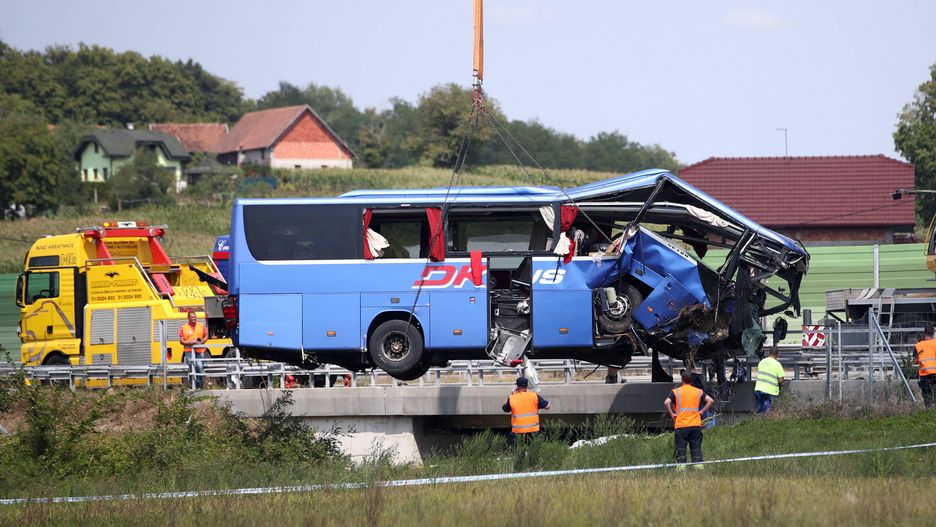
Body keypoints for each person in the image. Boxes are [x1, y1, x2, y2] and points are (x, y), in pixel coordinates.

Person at [664, 370, 714, 466]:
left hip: (681, 425)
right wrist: (702, 411)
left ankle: (681, 470)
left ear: (682, 379)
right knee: (696, 449)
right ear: (691, 380)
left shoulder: (676, 392)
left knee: (681, 450)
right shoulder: (698, 391)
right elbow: (710, 400)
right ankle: (698, 468)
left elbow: (666, 402)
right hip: (695, 424)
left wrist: (672, 414)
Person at [502, 377, 550, 443]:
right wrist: (537, 406)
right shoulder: (534, 396)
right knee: (533, 450)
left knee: (519, 450)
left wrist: (511, 394)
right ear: (527, 386)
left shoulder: (512, 398)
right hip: (533, 430)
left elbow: (505, 409)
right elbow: (547, 406)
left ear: (517, 386)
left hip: (518, 431)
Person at [179, 310, 208, 389]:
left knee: (199, 366)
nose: (194, 318)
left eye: (195, 317)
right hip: (189, 351)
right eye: (192, 317)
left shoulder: (201, 326)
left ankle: (199, 386)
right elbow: (181, 341)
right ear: (188, 318)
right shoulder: (184, 328)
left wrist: (201, 342)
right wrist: (190, 343)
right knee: (192, 366)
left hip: (200, 350)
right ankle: (192, 385)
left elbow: (206, 336)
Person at [754, 348, 785, 414]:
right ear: (777, 355)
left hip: (758, 389)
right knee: (768, 413)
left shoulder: (762, 362)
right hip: (770, 391)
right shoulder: (777, 364)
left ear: (769, 353)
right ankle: (767, 423)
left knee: (758, 411)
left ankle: (757, 423)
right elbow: (781, 380)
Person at [914, 323, 936, 408]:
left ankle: (928, 411)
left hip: (924, 374)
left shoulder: (918, 345)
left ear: (924, 332)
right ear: (933, 333)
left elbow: (915, 360)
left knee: (927, 396)